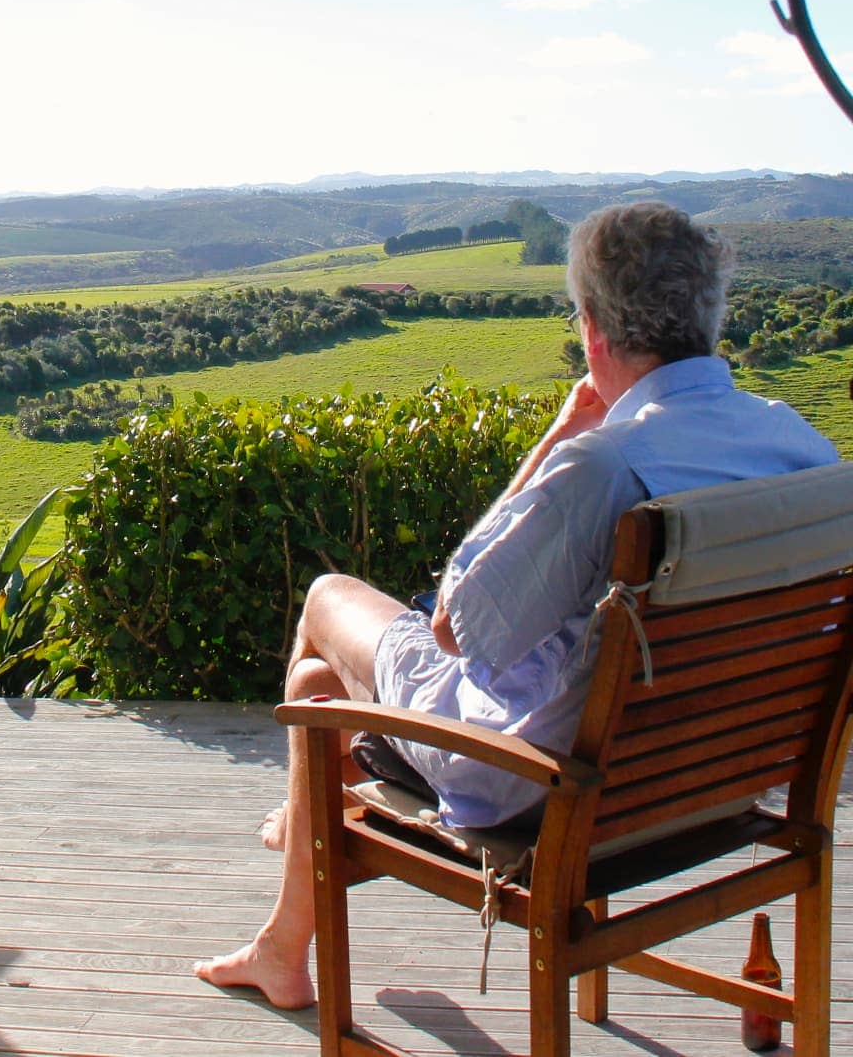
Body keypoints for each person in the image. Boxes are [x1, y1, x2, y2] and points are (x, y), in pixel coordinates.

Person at [195, 202, 839, 1010]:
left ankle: (291, 908)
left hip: (547, 786)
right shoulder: (804, 449)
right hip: (719, 773)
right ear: (709, 317)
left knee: (327, 606)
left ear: (594, 331)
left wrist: (558, 440)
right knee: (317, 691)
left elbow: (452, 626)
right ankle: (286, 922)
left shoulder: (606, 468)